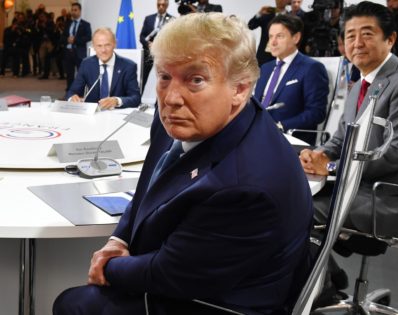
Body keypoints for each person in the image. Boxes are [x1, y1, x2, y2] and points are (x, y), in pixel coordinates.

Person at [53, 13, 314, 315]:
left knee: (73, 305)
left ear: (239, 89)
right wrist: (118, 238)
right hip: (194, 267)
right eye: (164, 76)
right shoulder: (180, 120)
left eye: (196, 79)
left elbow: (170, 273)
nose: (171, 97)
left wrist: (108, 268)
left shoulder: (246, 186)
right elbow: (147, 189)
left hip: (214, 302)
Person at [300, 1, 398, 239]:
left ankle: (326, 275)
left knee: (297, 211)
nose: (357, 43)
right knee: (287, 197)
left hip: (388, 195)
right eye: (350, 36)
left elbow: (396, 154)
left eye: (367, 34)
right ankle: (323, 273)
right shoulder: (360, 84)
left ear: (391, 39)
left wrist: (332, 166)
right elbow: (341, 138)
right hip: (356, 184)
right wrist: (319, 154)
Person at [254, 14, 329, 145]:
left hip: (288, 141)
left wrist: (280, 126)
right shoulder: (265, 68)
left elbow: (316, 112)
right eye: (271, 36)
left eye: (279, 36)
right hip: (258, 135)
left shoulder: (312, 68)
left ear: (296, 37)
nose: (273, 42)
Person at [66, 28, 141, 109]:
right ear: (94, 47)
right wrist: (73, 98)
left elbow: (136, 98)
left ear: (115, 44)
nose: (103, 50)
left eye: (107, 45)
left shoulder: (128, 66)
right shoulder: (86, 64)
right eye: (99, 46)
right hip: (92, 115)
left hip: (116, 114)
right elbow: (72, 92)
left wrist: (116, 101)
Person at [139, 0, 173, 93]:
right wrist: (148, 44)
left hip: (163, 54)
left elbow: (172, 38)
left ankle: (159, 104)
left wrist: (160, 45)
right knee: (143, 77)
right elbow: (142, 37)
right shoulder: (148, 18)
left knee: (164, 78)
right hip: (148, 53)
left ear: (167, 5)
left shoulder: (172, 20)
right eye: (159, 5)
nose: (161, 7)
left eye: (163, 5)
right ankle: (137, 99)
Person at [61, 2, 92, 91]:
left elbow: (88, 37)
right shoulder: (68, 23)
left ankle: (80, 94)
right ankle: (69, 93)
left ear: (80, 11)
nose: (73, 12)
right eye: (72, 10)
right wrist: (67, 39)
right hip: (68, 52)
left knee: (81, 74)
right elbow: (62, 36)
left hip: (79, 52)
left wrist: (75, 40)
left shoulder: (86, 24)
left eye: (75, 10)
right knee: (69, 74)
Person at [248, 0, 289, 66]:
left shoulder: (291, 17)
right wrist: (260, 13)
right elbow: (250, 26)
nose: (280, 1)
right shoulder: (267, 15)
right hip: (264, 56)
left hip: (282, 56)